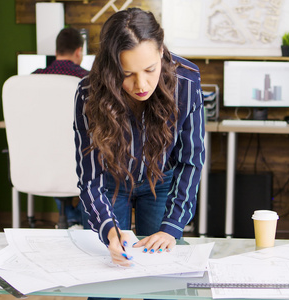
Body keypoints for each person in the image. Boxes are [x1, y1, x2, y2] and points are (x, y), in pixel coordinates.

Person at [74, 7, 205, 267]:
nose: (142, 85)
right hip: (111, 182)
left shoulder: (187, 82)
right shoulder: (89, 93)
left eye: (149, 70)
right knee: (108, 276)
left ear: (160, 52)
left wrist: (172, 227)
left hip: (161, 183)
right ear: (113, 68)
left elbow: (191, 161)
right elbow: (89, 178)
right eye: (127, 74)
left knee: (159, 277)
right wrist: (110, 231)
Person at [33, 27, 89, 229]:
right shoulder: (87, 80)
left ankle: (70, 217)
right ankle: (82, 217)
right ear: (78, 51)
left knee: (52, 157)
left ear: (57, 50)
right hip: (79, 158)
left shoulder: (33, 80)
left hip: (42, 160)